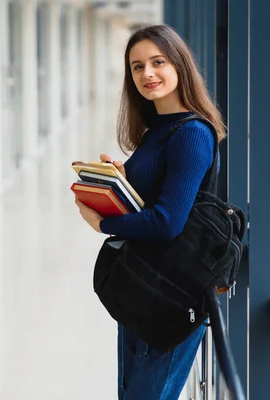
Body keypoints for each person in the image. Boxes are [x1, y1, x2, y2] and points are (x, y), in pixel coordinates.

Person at [75, 24, 226, 399]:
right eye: (137, 66)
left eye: (158, 62)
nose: (148, 74)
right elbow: (158, 196)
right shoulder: (156, 129)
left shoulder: (191, 133)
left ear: (179, 65)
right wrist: (120, 182)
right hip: (143, 285)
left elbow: (166, 222)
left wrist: (103, 222)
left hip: (171, 293)